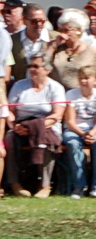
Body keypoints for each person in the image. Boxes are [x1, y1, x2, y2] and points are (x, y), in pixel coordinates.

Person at [5, 56, 65, 196]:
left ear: (47, 70)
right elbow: (11, 111)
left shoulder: (56, 87)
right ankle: (15, 184)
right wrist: (14, 126)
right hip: (21, 125)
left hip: (46, 124)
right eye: (30, 66)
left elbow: (57, 115)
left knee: (49, 139)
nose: (32, 70)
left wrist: (34, 128)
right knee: (9, 139)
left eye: (36, 66)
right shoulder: (19, 85)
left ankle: (45, 185)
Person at [60, 65, 96, 198]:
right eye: (81, 78)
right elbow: (70, 121)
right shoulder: (71, 94)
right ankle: (79, 187)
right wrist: (83, 134)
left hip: (94, 130)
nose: (83, 81)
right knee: (73, 143)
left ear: (94, 80)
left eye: (87, 78)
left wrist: (92, 133)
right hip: (74, 129)